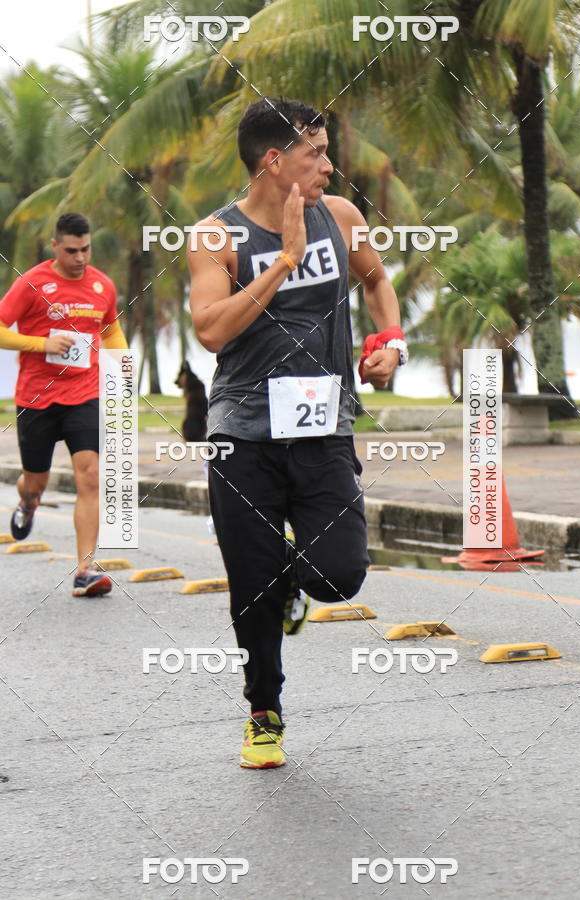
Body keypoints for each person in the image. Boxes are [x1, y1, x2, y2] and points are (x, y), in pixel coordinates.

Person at [187, 98, 407, 768]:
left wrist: (389, 345)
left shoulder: (340, 217)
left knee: (338, 576)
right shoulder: (214, 237)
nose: (330, 165)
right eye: (316, 152)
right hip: (243, 435)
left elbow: (377, 283)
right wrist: (282, 261)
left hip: (322, 429)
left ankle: (292, 587)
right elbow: (211, 330)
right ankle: (264, 711)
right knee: (251, 588)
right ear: (275, 160)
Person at [0, 212, 128, 596]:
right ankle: (28, 503)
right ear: (55, 246)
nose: (80, 258)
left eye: (85, 249)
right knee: (34, 482)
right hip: (36, 398)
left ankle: (85, 569)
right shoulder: (33, 283)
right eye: (71, 250)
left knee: (89, 475)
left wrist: (123, 365)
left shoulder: (102, 286)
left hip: (82, 395)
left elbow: (110, 329)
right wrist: (41, 344)